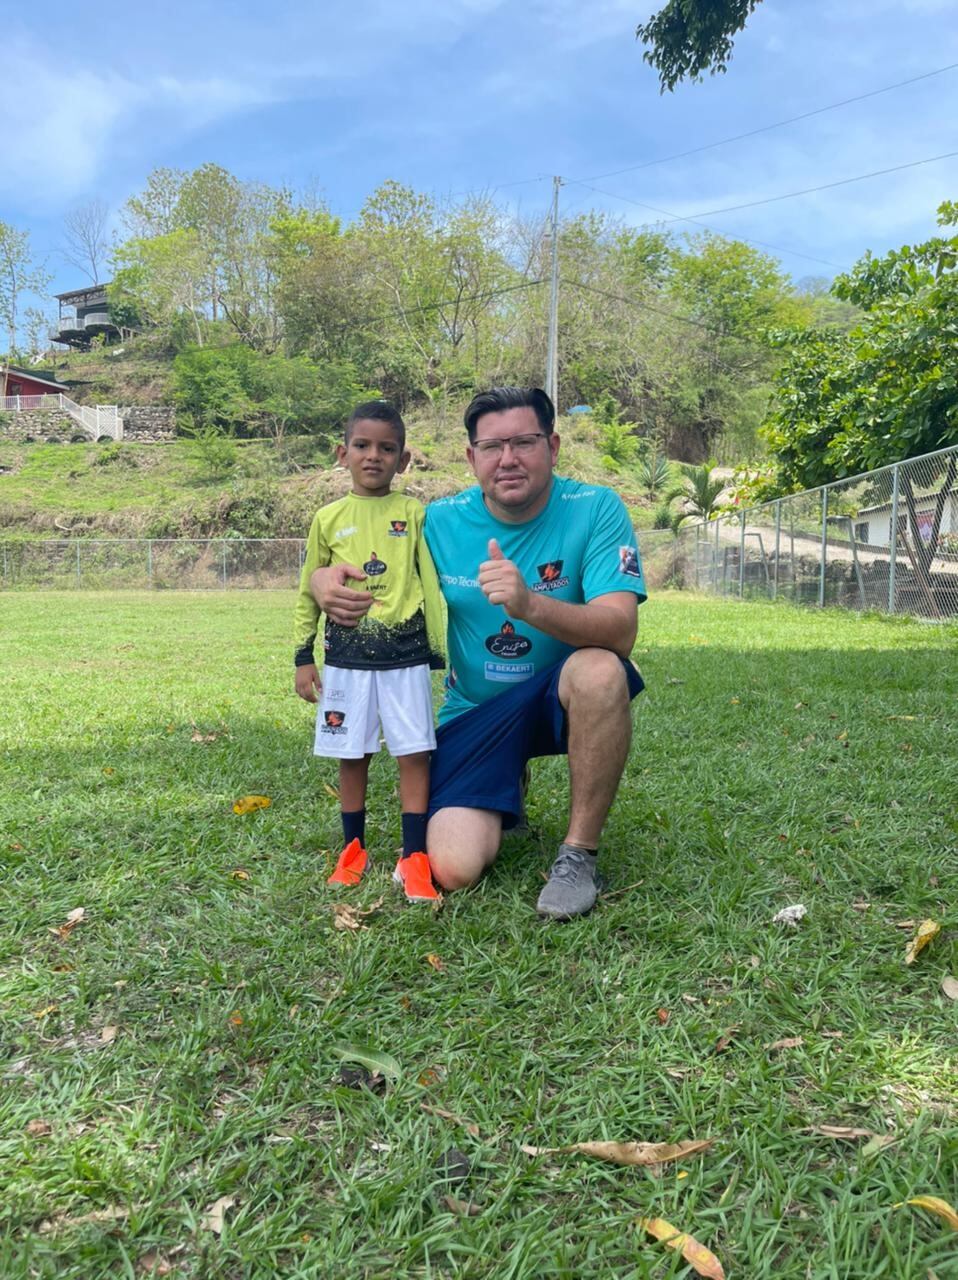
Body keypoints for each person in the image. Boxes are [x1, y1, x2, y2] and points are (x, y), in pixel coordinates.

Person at [311, 386, 646, 920]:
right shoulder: (436, 520)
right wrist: (321, 576)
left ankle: (578, 854)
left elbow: (620, 629)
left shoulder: (597, 508)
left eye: (524, 442)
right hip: (475, 711)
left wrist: (529, 603)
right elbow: (369, 547)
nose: (507, 459)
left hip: (558, 694)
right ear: (471, 458)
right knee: (452, 866)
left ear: (553, 446)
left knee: (602, 669)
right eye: (491, 446)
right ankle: (506, 774)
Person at [294, 400, 445, 904]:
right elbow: (307, 590)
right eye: (362, 445)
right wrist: (302, 654)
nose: (373, 456)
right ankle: (353, 849)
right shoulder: (327, 518)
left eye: (387, 448)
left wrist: (443, 652)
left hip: (405, 658)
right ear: (343, 453)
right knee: (352, 755)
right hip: (345, 663)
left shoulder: (414, 514)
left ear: (403, 461)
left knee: (414, 754)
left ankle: (414, 857)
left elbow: (435, 581)